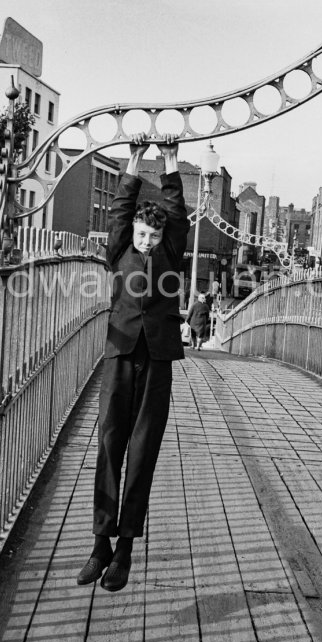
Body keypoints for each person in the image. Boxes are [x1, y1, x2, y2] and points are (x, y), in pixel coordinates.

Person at [77, 133, 190, 592]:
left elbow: (178, 212)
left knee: (141, 453)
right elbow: (121, 208)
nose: (146, 240)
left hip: (157, 361)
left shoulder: (167, 253)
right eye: (142, 234)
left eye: (153, 235)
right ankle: (99, 544)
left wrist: (168, 161)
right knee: (109, 445)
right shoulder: (119, 250)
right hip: (120, 355)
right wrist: (134, 159)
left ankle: (124, 549)